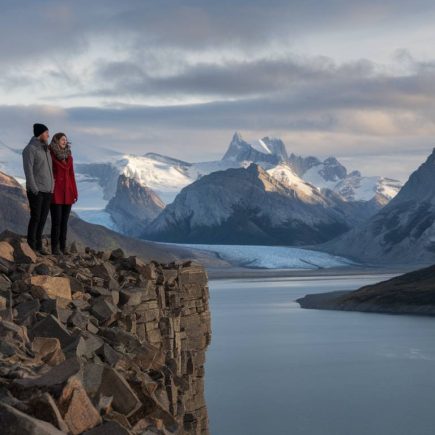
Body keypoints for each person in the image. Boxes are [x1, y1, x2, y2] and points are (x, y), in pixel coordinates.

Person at [22, 123, 54, 255]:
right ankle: (31, 245)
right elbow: (28, 170)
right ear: (40, 134)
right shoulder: (30, 149)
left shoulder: (45, 149)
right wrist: (34, 188)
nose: (48, 135)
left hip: (47, 191)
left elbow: (49, 170)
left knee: (42, 218)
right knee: (35, 217)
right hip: (37, 191)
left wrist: (52, 187)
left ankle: (39, 245)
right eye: (46, 132)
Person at [49, 132, 78, 255]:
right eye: (62, 139)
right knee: (56, 221)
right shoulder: (50, 154)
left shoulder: (69, 156)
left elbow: (71, 175)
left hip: (68, 192)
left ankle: (63, 247)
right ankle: (54, 248)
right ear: (56, 140)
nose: (64, 141)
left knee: (64, 222)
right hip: (56, 192)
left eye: (65, 139)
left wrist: (75, 192)